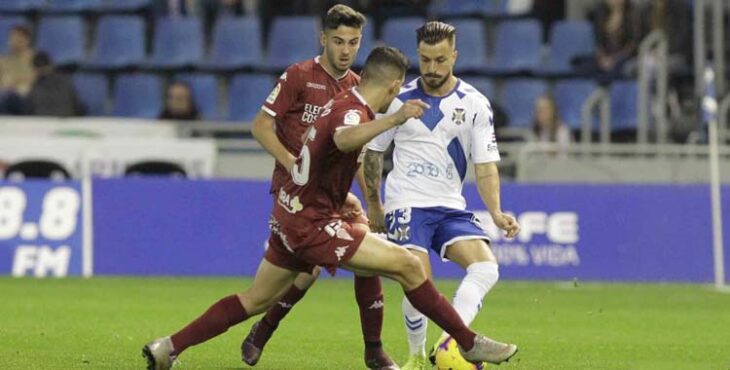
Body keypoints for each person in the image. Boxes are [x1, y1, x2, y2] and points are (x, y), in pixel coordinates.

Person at [143, 46, 518, 370]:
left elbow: (323, 160)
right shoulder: (354, 113)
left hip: (291, 212)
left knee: (254, 299)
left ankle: (168, 347)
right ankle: (465, 341)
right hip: (313, 225)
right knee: (409, 265)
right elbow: (342, 138)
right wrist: (395, 118)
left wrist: (346, 198)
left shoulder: (338, 101)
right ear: (391, 87)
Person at [362, 22, 520, 370]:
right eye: (425, 59)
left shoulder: (475, 103)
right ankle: (417, 356)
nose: (432, 68)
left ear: (454, 56)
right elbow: (373, 152)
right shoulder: (397, 98)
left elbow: (485, 166)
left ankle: (450, 340)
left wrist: (495, 210)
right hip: (407, 203)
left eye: (440, 60)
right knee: (417, 277)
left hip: (449, 206)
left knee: (486, 268)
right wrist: (375, 203)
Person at [247, 5, 397, 369]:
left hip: (331, 194)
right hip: (294, 193)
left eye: (354, 42)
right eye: (339, 41)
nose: (346, 50)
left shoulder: (358, 89)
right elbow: (260, 127)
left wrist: (370, 201)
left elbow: (355, 154)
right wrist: (293, 165)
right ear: (323, 39)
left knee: (362, 256)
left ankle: (374, 350)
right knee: (306, 271)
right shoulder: (299, 75)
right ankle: (262, 329)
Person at [24, 52, 85, 117]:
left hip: (43, 124)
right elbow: (78, 108)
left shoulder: (35, 88)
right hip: (67, 121)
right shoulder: (66, 81)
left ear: (35, 70)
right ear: (51, 65)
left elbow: (27, 111)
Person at [593, 0, 640, 76]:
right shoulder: (601, 12)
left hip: (624, 58)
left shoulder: (632, 13)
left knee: (622, 69)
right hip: (605, 59)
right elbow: (598, 41)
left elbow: (633, 44)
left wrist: (614, 60)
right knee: (592, 68)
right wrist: (602, 57)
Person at [0, 25, 35, 114]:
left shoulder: (35, 58)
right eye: (11, 38)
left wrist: (17, 83)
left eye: (18, 38)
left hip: (28, 97)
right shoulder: (3, 61)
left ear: (26, 40)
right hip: (6, 96)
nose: (13, 42)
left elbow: (38, 80)